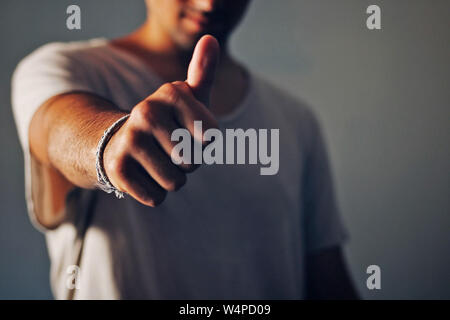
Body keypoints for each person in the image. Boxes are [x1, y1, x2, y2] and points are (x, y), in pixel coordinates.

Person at [11, 0, 357, 299]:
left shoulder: (296, 119)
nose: (210, 4)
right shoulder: (61, 68)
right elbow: (56, 129)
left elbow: (326, 279)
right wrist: (111, 142)